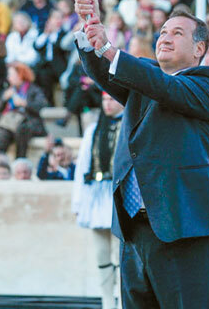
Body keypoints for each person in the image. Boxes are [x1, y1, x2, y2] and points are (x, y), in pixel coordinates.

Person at [74, 0, 209, 309]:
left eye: (177, 33)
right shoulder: (143, 82)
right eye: (163, 32)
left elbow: (164, 87)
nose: (166, 37)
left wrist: (108, 46)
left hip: (186, 229)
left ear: (199, 48)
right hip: (135, 230)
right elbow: (106, 72)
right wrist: (90, 28)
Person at [72, 91, 125, 309]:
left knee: (121, 255)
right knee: (102, 254)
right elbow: (83, 165)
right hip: (97, 193)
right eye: (104, 99)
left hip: (119, 195)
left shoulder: (130, 127)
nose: (107, 104)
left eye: (112, 99)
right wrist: (78, 202)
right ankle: (107, 302)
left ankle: (123, 302)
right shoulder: (94, 130)